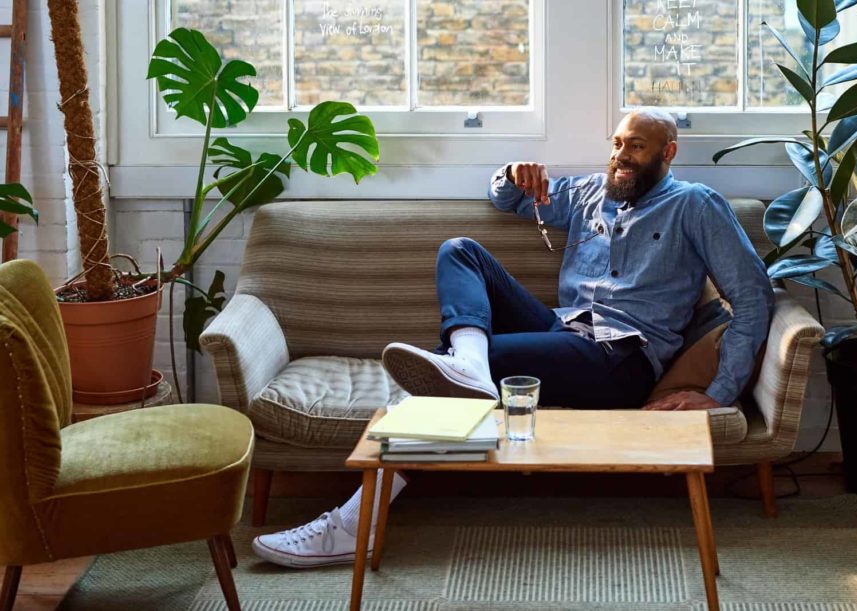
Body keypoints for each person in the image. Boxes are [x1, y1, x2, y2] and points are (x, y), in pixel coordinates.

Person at [251, 107, 774, 567]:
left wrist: (720, 391)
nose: (622, 155)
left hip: (621, 356)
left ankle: (353, 524)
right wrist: (512, 171)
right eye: (617, 143)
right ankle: (471, 368)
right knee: (461, 250)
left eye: (636, 146)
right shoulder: (589, 192)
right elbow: (504, 198)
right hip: (563, 328)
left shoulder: (696, 205)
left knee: (441, 377)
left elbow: (752, 295)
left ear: (668, 152)